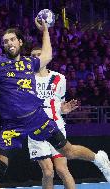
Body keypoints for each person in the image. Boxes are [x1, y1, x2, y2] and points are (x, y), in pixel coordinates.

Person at [0, 18, 110, 189]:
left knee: (68, 151)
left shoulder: (29, 63)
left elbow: (47, 55)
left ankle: (99, 159)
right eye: (5, 41)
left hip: (37, 119)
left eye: (12, 39)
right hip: (11, 126)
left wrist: (45, 30)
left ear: (20, 42)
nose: (9, 43)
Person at [28, 47, 77, 189]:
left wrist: (64, 110)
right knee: (48, 172)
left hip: (57, 127)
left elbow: (60, 104)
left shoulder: (59, 78)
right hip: (35, 130)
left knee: (62, 170)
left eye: (39, 54)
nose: (37, 57)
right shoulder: (26, 79)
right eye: (33, 56)